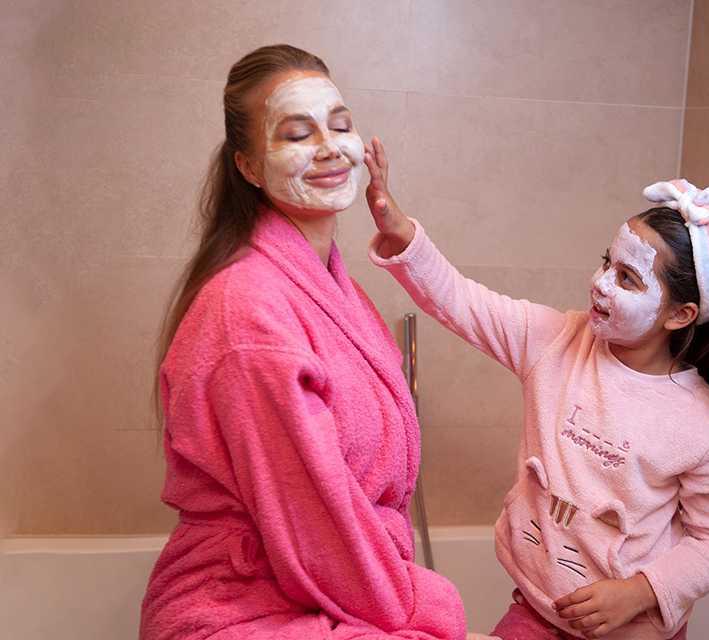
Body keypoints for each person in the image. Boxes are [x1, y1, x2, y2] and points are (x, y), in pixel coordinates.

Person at [362, 138, 709, 640]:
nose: (601, 283)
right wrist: (399, 230)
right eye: (607, 262)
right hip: (539, 608)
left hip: (633, 625)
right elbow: (459, 299)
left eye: (627, 278)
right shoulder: (556, 341)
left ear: (679, 315)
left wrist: (638, 592)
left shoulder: (701, 423)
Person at [140, 45, 466, 640]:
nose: (328, 147)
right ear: (249, 167)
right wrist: (423, 604)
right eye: (296, 134)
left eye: (340, 125)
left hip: (329, 586)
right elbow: (313, 521)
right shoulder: (247, 313)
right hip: (242, 609)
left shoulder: (337, 292)